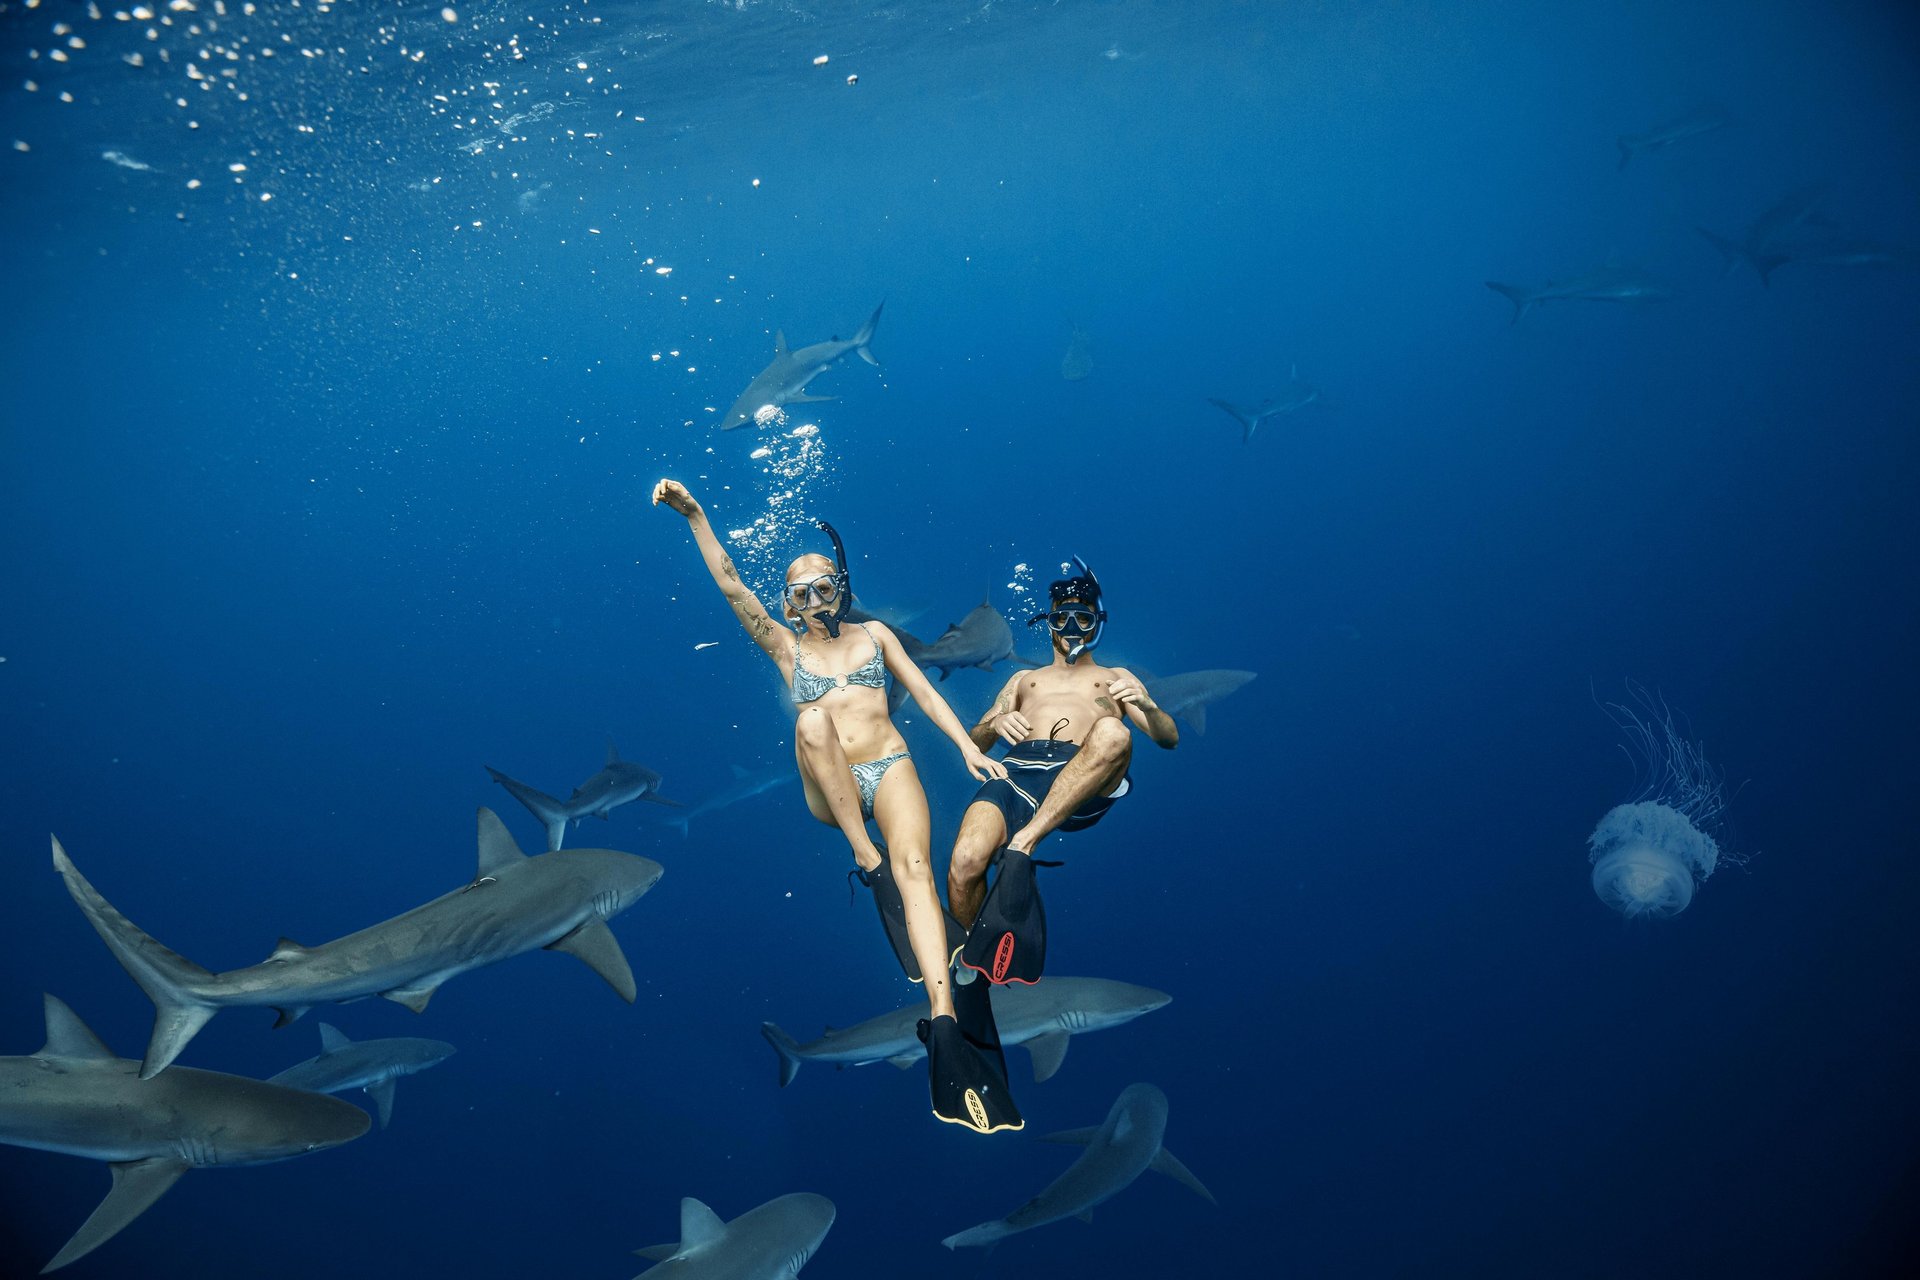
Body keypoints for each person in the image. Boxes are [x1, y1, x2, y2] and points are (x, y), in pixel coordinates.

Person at [652, 479, 1023, 1134]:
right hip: (833, 791)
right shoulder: (783, 645)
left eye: (826, 586)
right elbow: (732, 584)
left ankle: (943, 1024)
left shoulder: (877, 635)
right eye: (801, 592)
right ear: (788, 606)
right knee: (810, 725)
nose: (816, 600)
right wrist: (696, 518)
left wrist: (967, 746)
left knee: (918, 877)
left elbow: (927, 695)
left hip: (892, 764)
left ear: (842, 587)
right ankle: (863, 852)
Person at [949, 558, 1178, 984]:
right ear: (1048, 621)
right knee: (965, 860)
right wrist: (994, 723)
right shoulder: (1022, 680)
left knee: (1112, 731)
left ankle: (1025, 842)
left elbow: (1168, 738)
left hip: (1081, 777)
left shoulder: (1115, 676)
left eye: (1084, 618)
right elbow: (974, 745)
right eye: (1062, 617)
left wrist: (1146, 705)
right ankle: (974, 950)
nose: (1072, 626)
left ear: (1098, 624)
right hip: (1017, 774)